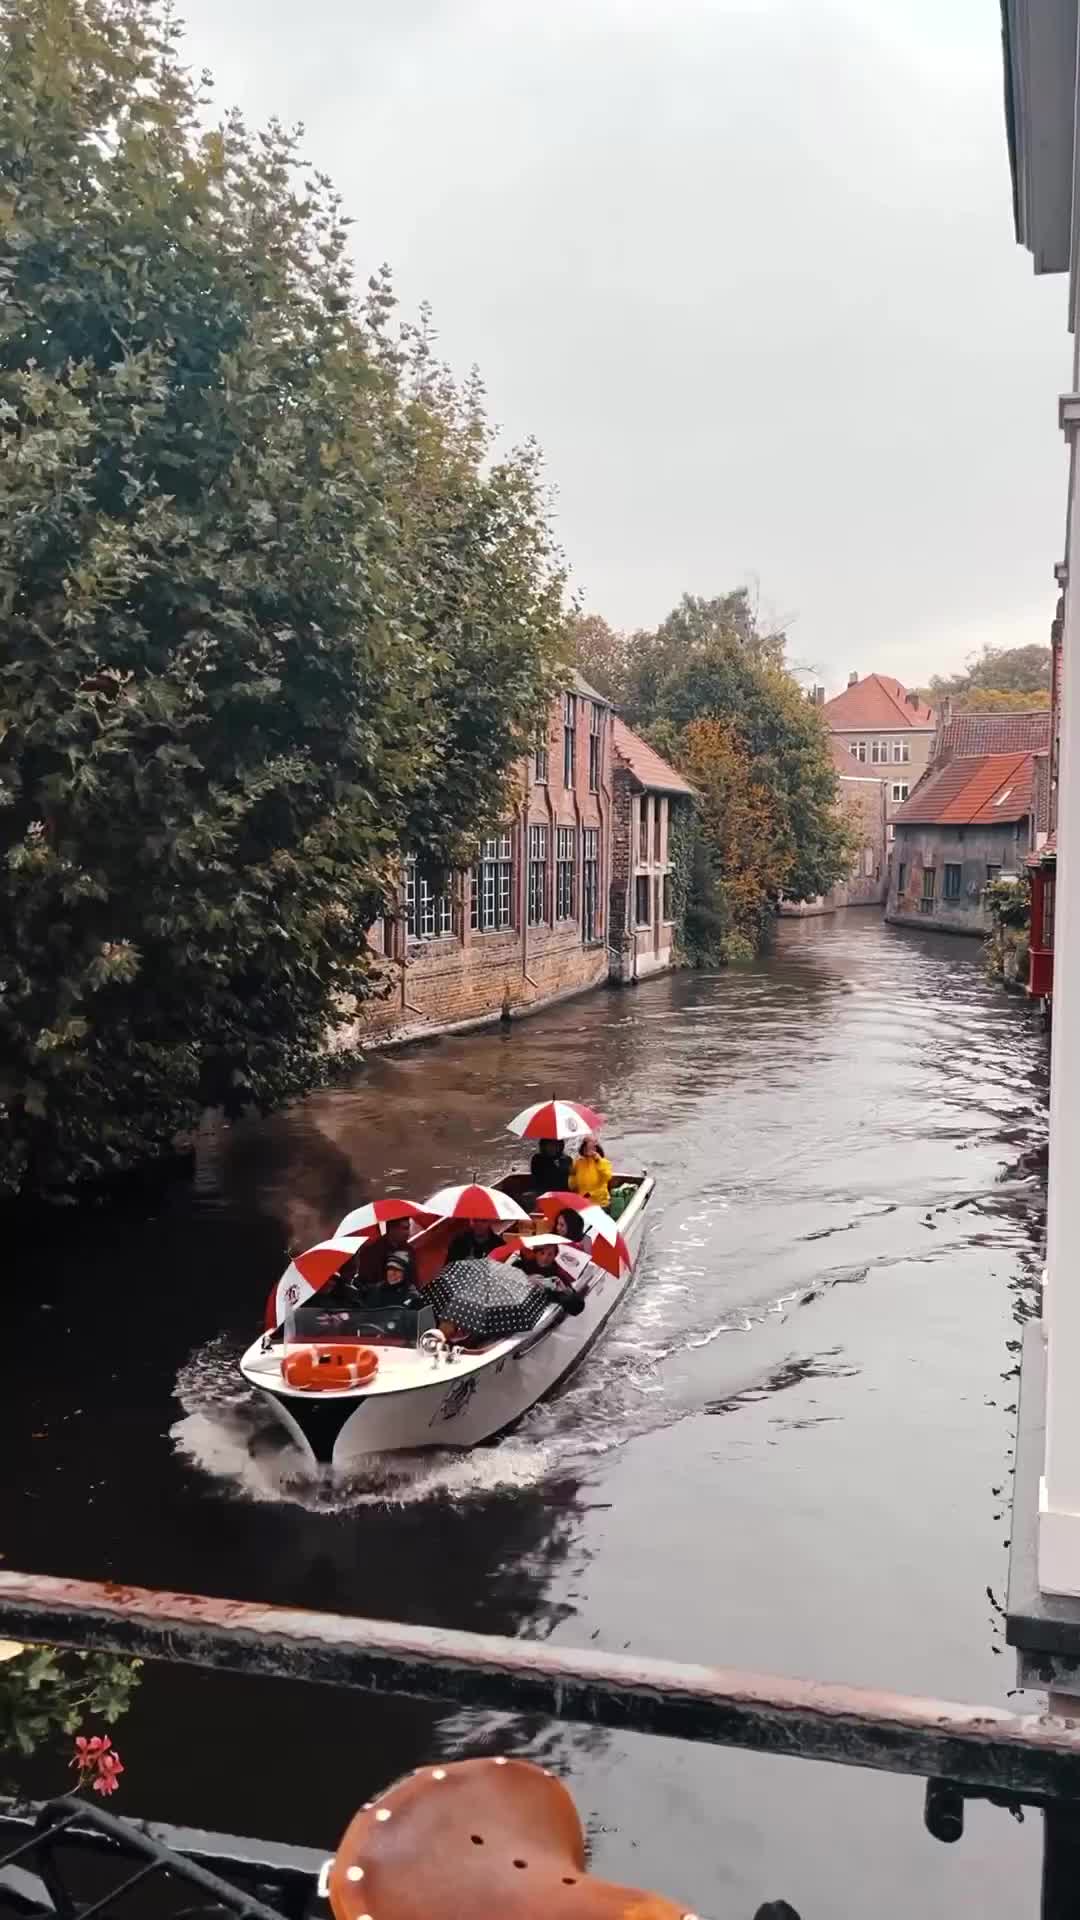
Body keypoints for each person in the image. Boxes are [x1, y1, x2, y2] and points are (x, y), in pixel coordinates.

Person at [517, 1240, 585, 1316]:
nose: (545, 1257)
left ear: (554, 1256)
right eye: (542, 1253)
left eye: (550, 1254)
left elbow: (576, 1306)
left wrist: (528, 1281)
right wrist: (526, 1278)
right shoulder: (524, 1262)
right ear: (536, 1252)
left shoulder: (558, 1276)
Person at [569, 1135, 613, 1210]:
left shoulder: (604, 1162)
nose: (589, 1150)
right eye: (586, 1147)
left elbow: (607, 1176)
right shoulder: (578, 1163)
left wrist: (598, 1161)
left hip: (600, 1204)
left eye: (592, 1147)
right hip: (583, 1203)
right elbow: (573, 1183)